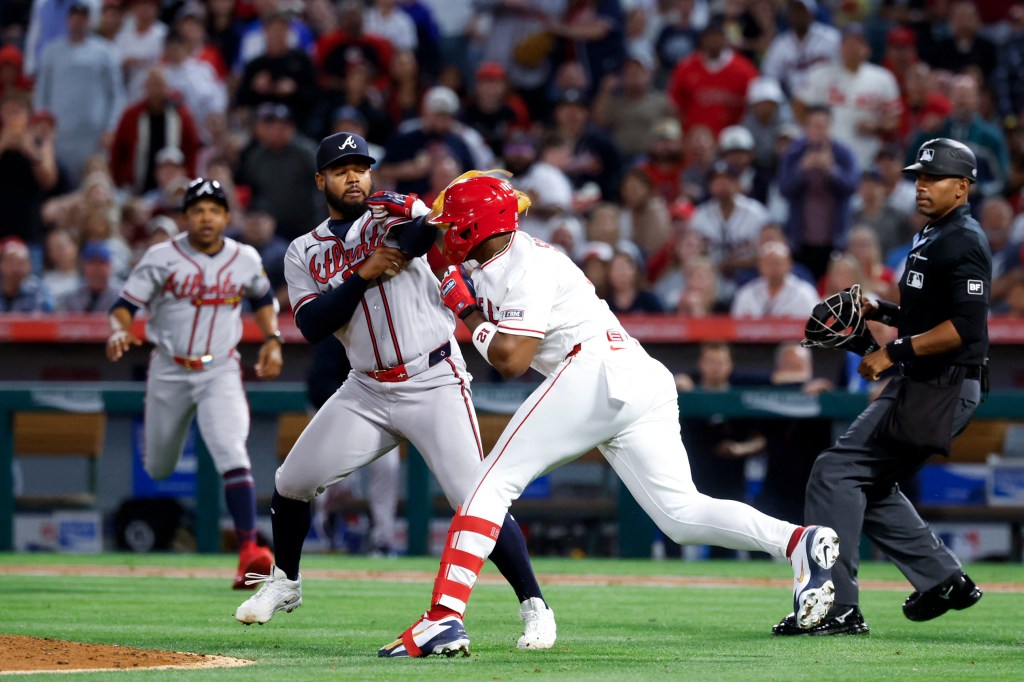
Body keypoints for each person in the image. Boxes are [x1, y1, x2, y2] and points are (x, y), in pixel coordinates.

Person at [377, 174, 840, 657]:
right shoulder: (497, 253)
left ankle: (444, 618)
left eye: (454, 223)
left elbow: (512, 360)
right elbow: (432, 247)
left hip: (596, 368)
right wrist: (415, 211)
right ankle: (798, 542)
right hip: (634, 375)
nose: (447, 231)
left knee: (486, 487)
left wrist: (468, 314)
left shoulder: (526, 263)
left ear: (476, 226)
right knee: (681, 514)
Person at [232, 133, 557, 653]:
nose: (354, 176)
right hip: (365, 388)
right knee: (291, 481)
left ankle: (535, 607)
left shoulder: (394, 212)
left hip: (432, 378)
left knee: (474, 499)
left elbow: (430, 234)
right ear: (321, 181)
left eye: (361, 166)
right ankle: (285, 584)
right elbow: (313, 324)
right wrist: (362, 274)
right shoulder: (304, 250)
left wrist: (414, 225)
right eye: (341, 169)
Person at [773, 138, 990, 636]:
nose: (921, 186)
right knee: (860, 481)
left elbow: (965, 329)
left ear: (962, 186)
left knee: (836, 472)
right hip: (928, 382)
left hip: (942, 385)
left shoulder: (965, 239)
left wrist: (890, 352)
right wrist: (879, 310)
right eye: (918, 177)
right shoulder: (934, 235)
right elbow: (925, 318)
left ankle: (836, 608)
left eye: (933, 178)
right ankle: (943, 580)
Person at [106, 178, 283, 590]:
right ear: (186, 216)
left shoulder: (244, 257)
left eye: (214, 209)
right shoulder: (160, 256)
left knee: (230, 449)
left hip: (220, 368)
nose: (206, 216)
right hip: (169, 369)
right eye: (198, 209)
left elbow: (261, 298)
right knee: (159, 466)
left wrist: (272, 339)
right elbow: (123, 307)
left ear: (226, 216)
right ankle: (246, 549)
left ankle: (249, 553)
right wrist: (119, 330)